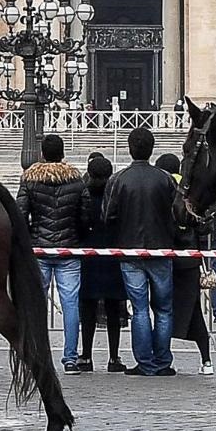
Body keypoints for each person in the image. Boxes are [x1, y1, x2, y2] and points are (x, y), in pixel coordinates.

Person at [105, 127, 183, 376]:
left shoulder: (118, 179)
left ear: (130, 149)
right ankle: (162, 361)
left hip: (130, 251)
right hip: (161, 249)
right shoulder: (166, 179)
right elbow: (178, 213)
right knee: (163, 308)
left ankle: (145, 362)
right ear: (152, 149)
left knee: (139, 309)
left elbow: (108, 216)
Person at [19, 133, 89, 373]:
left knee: (35, 304)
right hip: (69, 249)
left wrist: (30, 237)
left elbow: (20, 213)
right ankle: (70, 358)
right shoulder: (77, 181)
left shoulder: (30, 180)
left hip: (39, 249)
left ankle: (36, 354)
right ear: (62, 154)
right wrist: (78, 236)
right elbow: (85, 215)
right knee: (70, 305)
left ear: (42, 154)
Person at [156, 151, 212, 370]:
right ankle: (206, 359)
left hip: (166, 259)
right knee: (193, 310)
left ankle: (161, 358)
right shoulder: (190, 193)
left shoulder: (164, 190)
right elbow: (205, 225)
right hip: (190, 262)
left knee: (163, 309)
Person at [80, 153, 131, 370]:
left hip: (88, 258)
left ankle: (86, 355)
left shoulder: (84, 197)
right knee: (113, 308)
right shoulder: (116, 198)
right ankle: (113, 357)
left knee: (88, 309)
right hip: (112, 257)